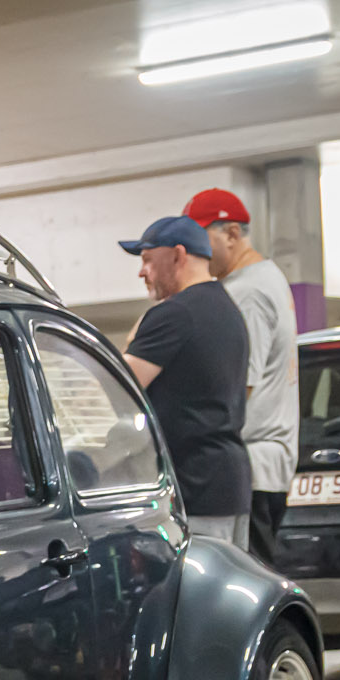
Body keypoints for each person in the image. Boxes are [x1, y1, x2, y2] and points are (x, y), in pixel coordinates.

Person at [118, 215, 252, 547]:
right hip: (228, 484)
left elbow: (119, 389)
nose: (141, 272)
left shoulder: (175, 313)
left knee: (190, 579)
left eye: (148, 259)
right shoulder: (228, 310)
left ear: (177, 255)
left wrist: (134, 337)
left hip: (193, 488)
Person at [183, 188, 298, 563]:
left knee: (246, 583)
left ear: (232, 233)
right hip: (265, 465)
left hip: (253, 466)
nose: (195, 251)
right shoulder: (268, 277)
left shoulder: (247, 292)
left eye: (202, 238)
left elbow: (236, 386)